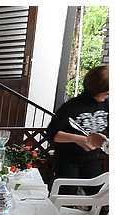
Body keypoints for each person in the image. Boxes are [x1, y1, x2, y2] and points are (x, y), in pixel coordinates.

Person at [46, 65, 109, 195]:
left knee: (99, 195)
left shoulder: (107, 105)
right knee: (66, 197)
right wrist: (78, 139)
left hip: (92, 159)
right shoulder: (71, 106)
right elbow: (52, 133)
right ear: (96, 89)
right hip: (67, 160)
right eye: (107, 92)